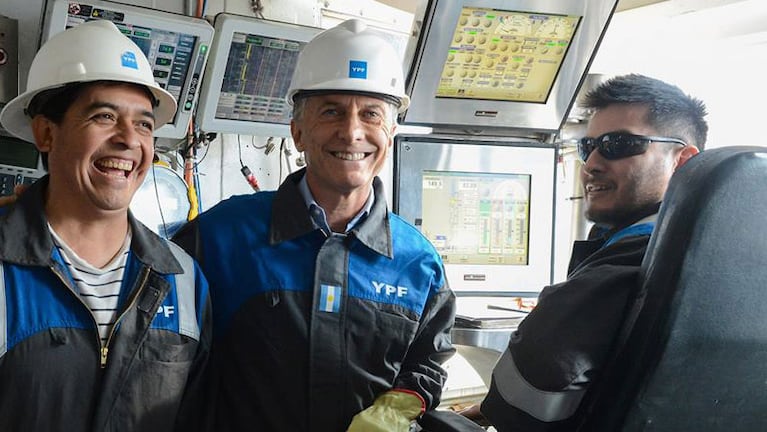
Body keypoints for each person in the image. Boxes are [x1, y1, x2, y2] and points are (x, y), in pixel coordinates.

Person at [172, 18, 456, 432]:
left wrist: (395, 409)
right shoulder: (220, 236)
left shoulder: (418, 262)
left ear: (390, 135)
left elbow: (427, 363)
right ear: (298, 132)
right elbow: (162, 356)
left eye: (371, 114)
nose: (352, 131)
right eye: (332, 111)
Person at [462, 73, 708, 431]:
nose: (591, 163)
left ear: (682, 161)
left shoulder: (631, 262)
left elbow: (521, 401)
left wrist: (488, 406)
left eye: (618, 144)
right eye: (587, 147)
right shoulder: (723, 259)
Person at [0, 20, 211, 431]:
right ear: (46, 132)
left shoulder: (183, 279)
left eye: (145, 124)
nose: (129, 139)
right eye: (104, 116)